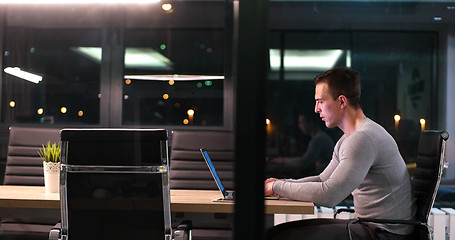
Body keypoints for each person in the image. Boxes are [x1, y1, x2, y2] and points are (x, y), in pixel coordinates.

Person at [264, 67, 415, 240]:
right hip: (370, 226)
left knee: (281, 236)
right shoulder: (348, 139)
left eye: (320, 101)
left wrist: (277, 187)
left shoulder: (363, 138)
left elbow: (329, 195)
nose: (316, 109)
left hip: (386, 233)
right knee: (277, 233)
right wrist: (284, 184)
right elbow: (322, 179)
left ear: (342, 102)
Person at [269, 112, 334, 177]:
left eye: (301, 122)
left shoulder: (318, 139)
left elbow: (303, 162)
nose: (299, 126)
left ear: (311, 123)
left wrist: (282, 160)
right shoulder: (319, 137)